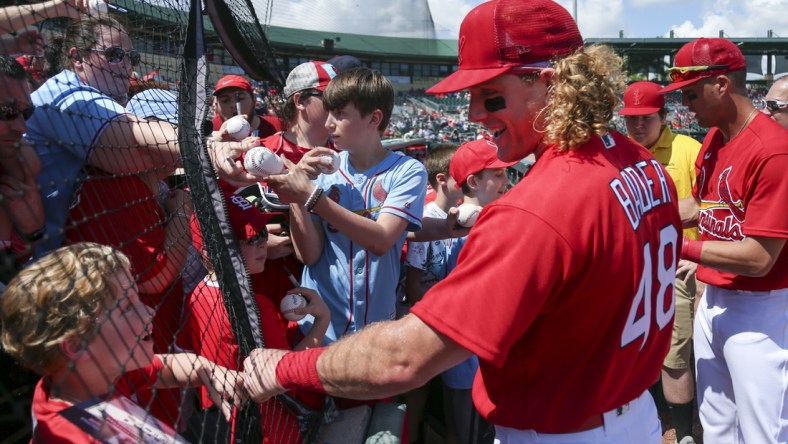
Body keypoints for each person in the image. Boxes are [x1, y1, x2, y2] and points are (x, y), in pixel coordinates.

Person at [242, 1, 681, 443]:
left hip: (563, 429)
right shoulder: (642, 163)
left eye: (490, 94)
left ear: (550, 84)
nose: (473, 113)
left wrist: (284, 365)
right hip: (632, 412)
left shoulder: (535, 208)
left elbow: (405, 359)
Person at [24, 16, 257, 255]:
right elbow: (133, 152)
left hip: (46, 250)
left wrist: (212, 143)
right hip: (29, 262)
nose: (127, 66)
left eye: (131, 57)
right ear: (77, 58)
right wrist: (209, 150)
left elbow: (149, 151)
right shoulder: (71, 96)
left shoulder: (86, 93)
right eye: (114, 55)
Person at [660, 37, 788, 443]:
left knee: (763, 432)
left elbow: (757, 258)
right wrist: (648, 216)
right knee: (717, 427)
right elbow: (701, 206)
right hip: (713, 300)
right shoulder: (714, 140)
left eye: (691, 92)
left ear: (721, 85)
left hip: (762, 311)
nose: (685, 103)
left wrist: (671, 245)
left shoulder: (774, 151)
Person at [0, 242, 244, 443]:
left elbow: (174, 365)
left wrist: (209, 370)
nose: (149, 311)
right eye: (127, 307)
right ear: (76, 345)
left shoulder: (96, 377)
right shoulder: (70, 436)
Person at [266, 67, 427, 345]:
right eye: (329, 112)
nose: (329, 124)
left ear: (374, 118)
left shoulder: (408, 171)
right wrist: (298, 194)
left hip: (375, 330)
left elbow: (382, 240)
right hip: (319, 327)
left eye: (339, 114)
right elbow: (309, 254)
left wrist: (312, 197)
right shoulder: (325, 169)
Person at [185, 190, 329, 443]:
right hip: (268, 427)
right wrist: (322, 321)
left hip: (221, 423)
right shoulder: (255, 305)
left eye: (262, 234)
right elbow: (286, 371)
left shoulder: (195, 294)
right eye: (250, 239)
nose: (262, 243)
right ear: (212, 251)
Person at [619, 80, 702, 444]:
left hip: (678, 268)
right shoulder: (619, 153)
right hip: (633, 271)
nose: (637, 126)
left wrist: (702, 260)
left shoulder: (688, 149)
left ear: (664, 116)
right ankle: (661, 418)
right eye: (631, 119)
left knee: (676, 354)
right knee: (638, 350)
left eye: (646, 118)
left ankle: (684, 432)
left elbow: (712, 206)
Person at [440, 137, 515, 444]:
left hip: (489, 361)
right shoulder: (460, 227)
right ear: (473, 181)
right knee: (468, 436)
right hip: (467, 361)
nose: (505, 180)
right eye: (497, 175)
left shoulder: (492, 218)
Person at [0, 54, 44, 285]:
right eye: (7, 111)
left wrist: (33, 231)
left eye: (26, 113)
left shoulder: (20, 165)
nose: (21, 127)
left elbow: (19, 255)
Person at [211, 74, 283, 139]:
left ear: (254, 99)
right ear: (217, 105)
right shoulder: (210, 129)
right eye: (225, 100)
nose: (233, 105)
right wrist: (218, 140)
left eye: (240, 98)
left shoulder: (278, 126)